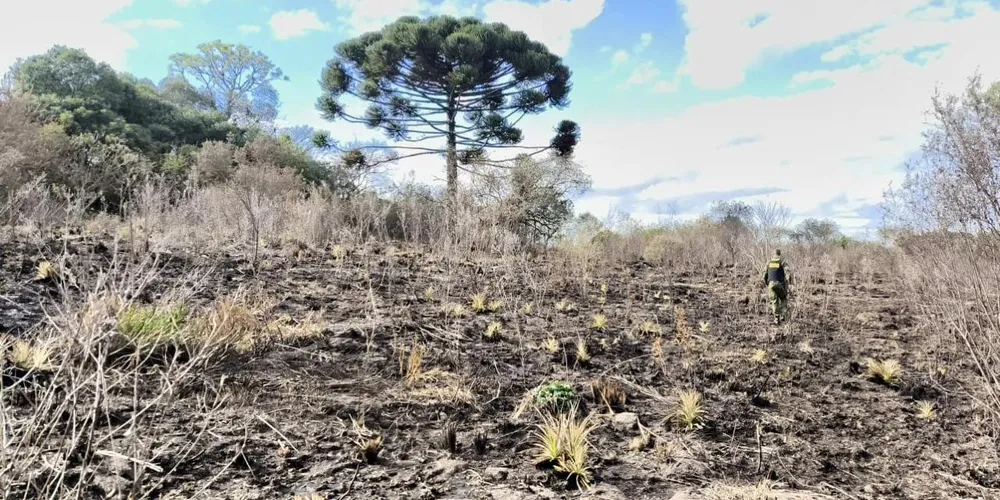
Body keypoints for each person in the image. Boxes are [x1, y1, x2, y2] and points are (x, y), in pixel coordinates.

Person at [762, 249, 791, 324]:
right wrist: (788, 283)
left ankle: (776, 318)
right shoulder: (782, 262)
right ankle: (783, 315)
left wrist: (767, 283)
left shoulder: (769, 262)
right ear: (779, 254)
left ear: (773, 254)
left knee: (774, 301)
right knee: (783, 298)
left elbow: (764, 274)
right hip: (780, 284)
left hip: (771, 284)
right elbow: (788, 273)